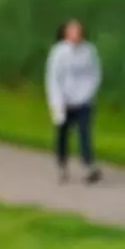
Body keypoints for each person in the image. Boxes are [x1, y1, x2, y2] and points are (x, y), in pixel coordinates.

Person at [46, 18, 102, 184]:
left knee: (84, 132)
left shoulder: (89, 50)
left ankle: (89, 165)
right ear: (66, 34)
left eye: (78, 31)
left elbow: (95, 73)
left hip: (83, 100)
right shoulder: (59, 52)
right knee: (62, 134)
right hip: (63, 100)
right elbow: (53, 78)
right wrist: (56, 101)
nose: (76, 34)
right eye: (73, 31)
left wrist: (88, 92)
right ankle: (62, 164)